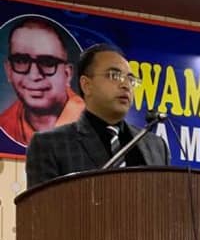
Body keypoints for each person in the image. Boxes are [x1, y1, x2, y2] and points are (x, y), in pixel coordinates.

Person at [25, 43, 170, 188]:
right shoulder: (49, 145)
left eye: (130, 79)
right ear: (86, 85)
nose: (126, 85)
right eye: (114, 76)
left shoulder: (156, 146)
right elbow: (43, 202)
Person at [0, 16, 84, 146]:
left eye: (47, 62)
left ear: (67, 74)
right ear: (9, 71)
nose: (34, 76)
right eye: (21, 61)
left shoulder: (89, 124)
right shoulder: (6, 124)